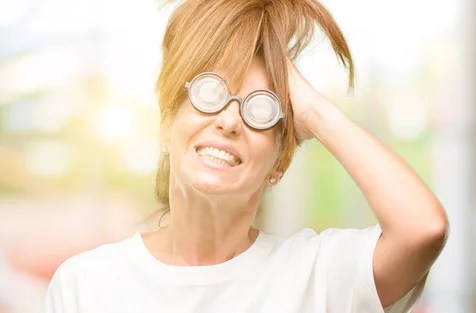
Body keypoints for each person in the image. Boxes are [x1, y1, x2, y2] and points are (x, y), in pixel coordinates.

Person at [44, 0, 449, 312]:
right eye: (210, 93)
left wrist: (311, 109)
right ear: (167, 126)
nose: (229, 120)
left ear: (280, 163)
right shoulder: (87, 283)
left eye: (259, 108)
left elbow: (423, 229)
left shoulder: (320, 275)